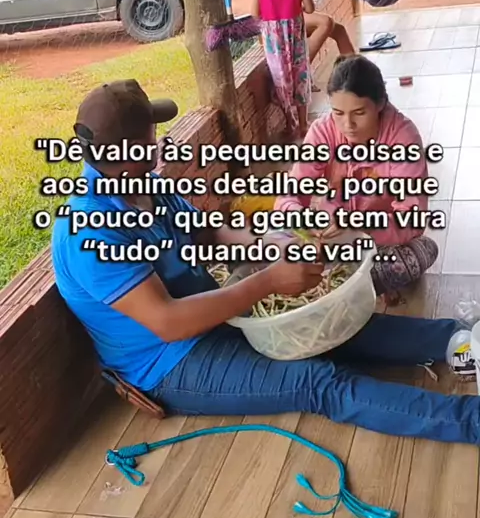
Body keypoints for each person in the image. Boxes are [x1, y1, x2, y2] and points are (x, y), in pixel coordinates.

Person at [52, 79, 480, 447]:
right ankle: (470, 421)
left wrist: (269, 244)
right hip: (169, 361)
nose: (158, 140)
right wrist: (269, 281)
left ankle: (460, 338)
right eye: (151, 136)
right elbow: (168, 322)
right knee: (318, 382)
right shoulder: (90, 232)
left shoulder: (145, 184)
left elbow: (207, 232)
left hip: (214, 313)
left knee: (336, 326)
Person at [275, 55, 439, 297]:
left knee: (423, 251)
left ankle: (333, 289)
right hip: (329, 238)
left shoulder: (403, 138)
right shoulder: (323, 132)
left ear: (380, 104)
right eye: (338, 112)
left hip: (379, 240)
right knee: (272, 237)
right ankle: (345, 288)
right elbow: (288, 196)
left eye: (359, 112)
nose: (347, 124)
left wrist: (360, 224)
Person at [251, 0, 315, 138]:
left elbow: (255, 14)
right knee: (300, 78)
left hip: (274, 44)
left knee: (281, 80)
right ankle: (304, 124)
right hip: (296, 40)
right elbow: (310, 8)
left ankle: (290, 123)